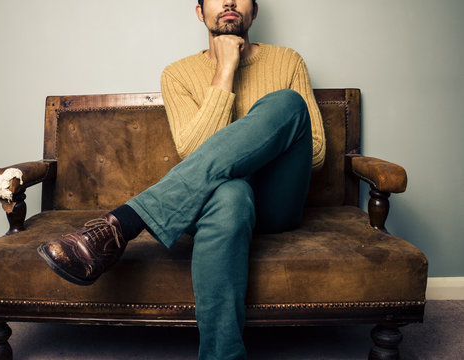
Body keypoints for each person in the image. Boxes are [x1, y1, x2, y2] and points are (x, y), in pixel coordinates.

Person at [38, 0, 325, 358]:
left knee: (287, 103)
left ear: (255, 10)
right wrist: (226, 70)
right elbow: (194, 153)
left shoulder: (288, 61)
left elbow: (314, 151)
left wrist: (246, 156)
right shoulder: (178, 74)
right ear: (200, 11)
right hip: (216, 201)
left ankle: (125, 222)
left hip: (276, 201)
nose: (230, 2)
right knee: (231, 194)